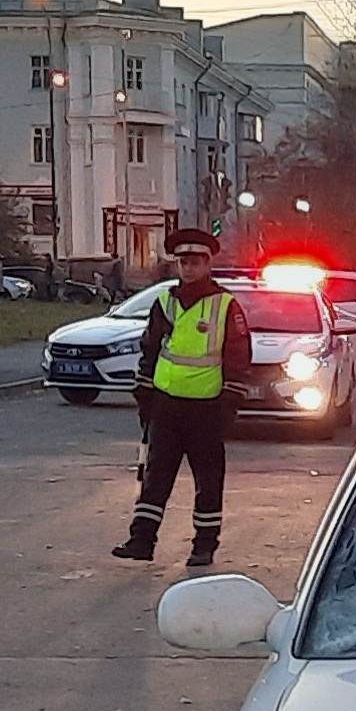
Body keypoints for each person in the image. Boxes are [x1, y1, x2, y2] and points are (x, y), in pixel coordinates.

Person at [112, 228, 248, 568]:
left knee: (208, 480)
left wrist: (228, 404)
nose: (188, 268)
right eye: (183, 262)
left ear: (208, 263)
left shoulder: (226, 305)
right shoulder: (165, 302)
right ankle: (141, 541)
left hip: (206, 408)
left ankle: (204, 546)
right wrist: (144, 390)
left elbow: (238, 356)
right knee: (155, 476)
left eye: (196, 262)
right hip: (166, 405)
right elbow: (151, 348)